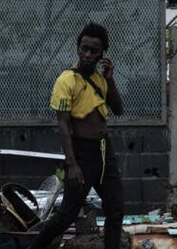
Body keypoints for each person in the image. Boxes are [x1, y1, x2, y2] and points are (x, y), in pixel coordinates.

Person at [30, 23, 125, 249]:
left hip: (104, 151)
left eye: (94, 51)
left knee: (116, 210)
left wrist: (110, 79)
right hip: (81, 154)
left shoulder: (101, 79)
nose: (88, 55)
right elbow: (63, 124)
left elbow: (119, 109)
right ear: (78, 49)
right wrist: (72, 164)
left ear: (103, 53)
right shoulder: (66, 80)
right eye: (84, 49)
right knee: (67, 215)